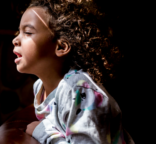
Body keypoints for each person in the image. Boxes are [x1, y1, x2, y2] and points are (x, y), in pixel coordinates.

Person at [12, 0, 134, 143]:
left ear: (61, 47)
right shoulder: (39, 87)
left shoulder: (78, 90)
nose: (15, 40)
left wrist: (41, 132)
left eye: (27, 32)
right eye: (18, 32)